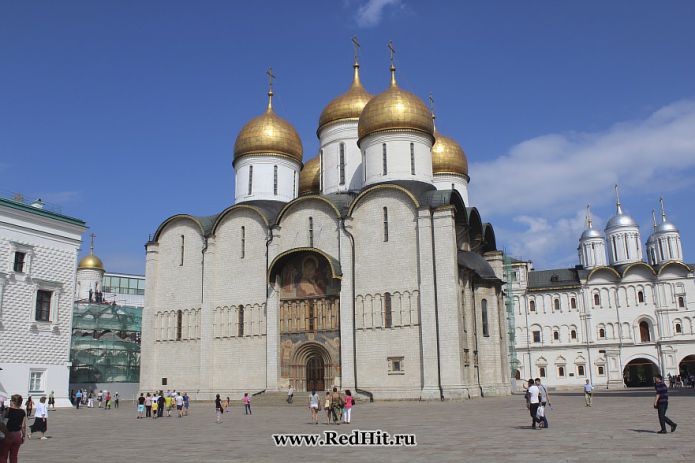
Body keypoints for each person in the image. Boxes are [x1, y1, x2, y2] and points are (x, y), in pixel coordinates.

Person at [1, 395, 27, 463]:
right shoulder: (23, 412)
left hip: (7, 435)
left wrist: (6, 433)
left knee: (3, 456)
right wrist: (23, 436)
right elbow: (23, 426)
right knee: (14, 456)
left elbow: (1, 423)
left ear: (12, 402)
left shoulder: (7, 410)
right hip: (17, 436)